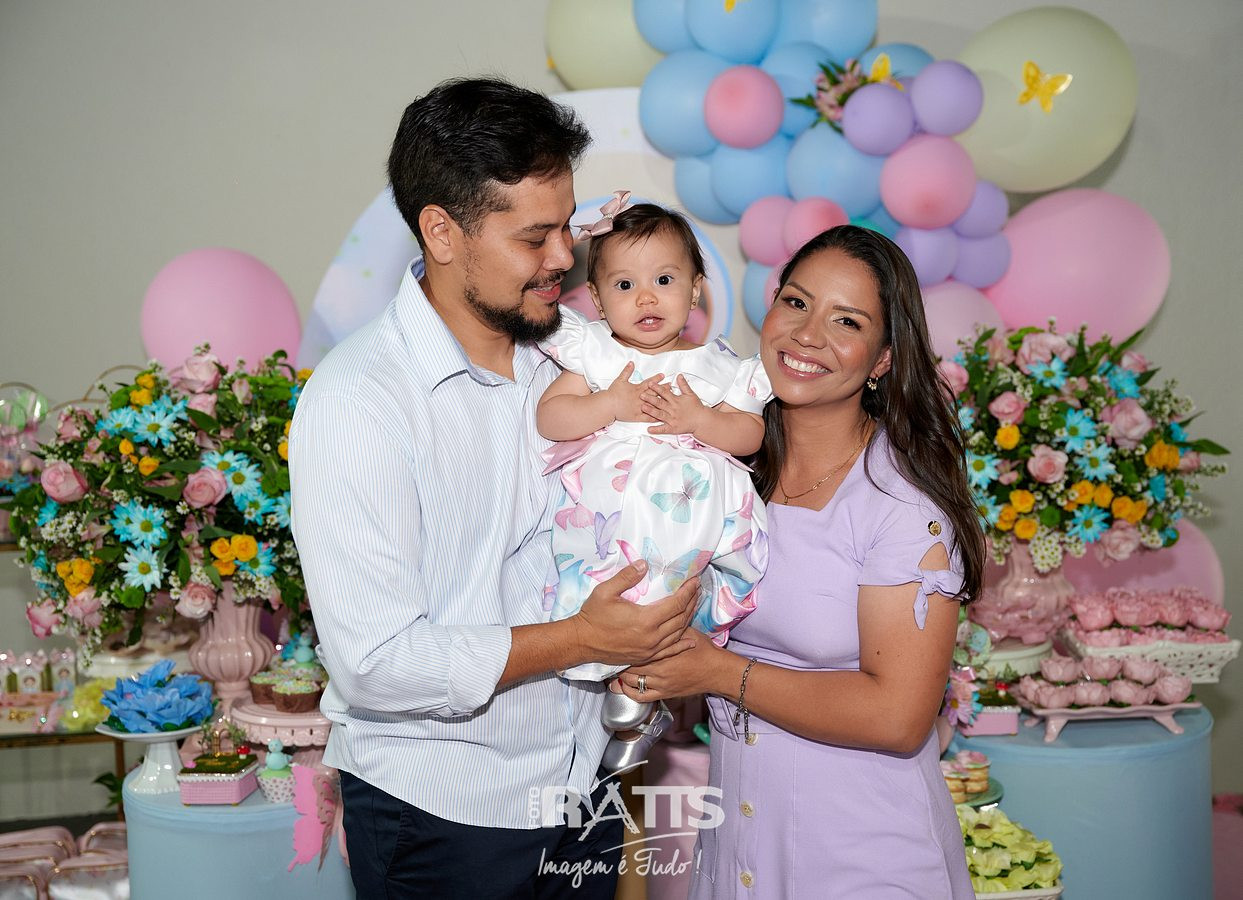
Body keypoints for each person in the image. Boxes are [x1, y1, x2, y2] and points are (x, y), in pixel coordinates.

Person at [288, 77, 700, 899]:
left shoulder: (577, 352)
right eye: (534, 237)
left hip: (582, 779)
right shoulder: (358, 401)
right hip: (443, 813)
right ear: (441, 231)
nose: (563, 258)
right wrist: (583, 638)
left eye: (567, 225)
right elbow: (376, 663)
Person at [617, 225, 987, 898]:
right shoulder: (723, 463)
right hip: (738, 846)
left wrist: (714, 671)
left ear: (882, 359)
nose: (808, 334)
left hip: (861, 858)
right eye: (796, 302)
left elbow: (899, 715)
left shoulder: (900, 506)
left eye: (846, 321)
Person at [535, 200, 771, 754]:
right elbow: (551, 418)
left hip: (688, 522)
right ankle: (624, 694)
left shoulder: (716, 366)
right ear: (597, 300)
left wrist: (701, 421)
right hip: (613, 517)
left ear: (695, 289)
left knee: (674, 602)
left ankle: (647, 693)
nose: (646, 298)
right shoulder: (598, 356)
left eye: (664, 280)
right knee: (612, 593)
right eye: (624, 285)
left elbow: (750, 434)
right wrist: (609, 404)